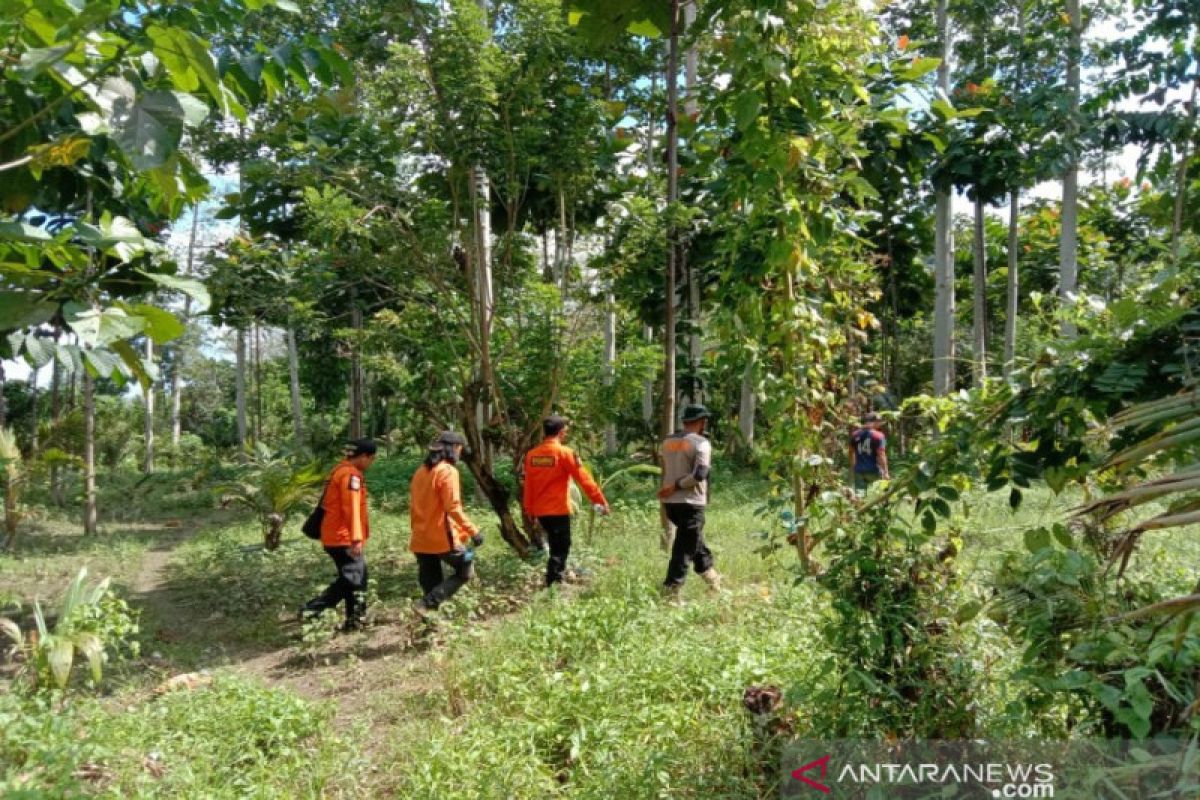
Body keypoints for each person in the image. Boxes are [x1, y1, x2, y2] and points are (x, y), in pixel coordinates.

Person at [522, 415, 610, 587]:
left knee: (556, 546)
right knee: (561, 547)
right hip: (557, 510)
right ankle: (553, 584)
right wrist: (601, 501)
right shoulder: (565, 453)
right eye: (566, 431)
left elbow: (528, 486)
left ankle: (554, 580)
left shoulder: (532, 455)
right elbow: (585, 480)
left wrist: (529, 510)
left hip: (540, 511)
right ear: (561, 432)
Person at [301, 438, 377, 631]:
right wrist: (356, 539)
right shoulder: (350, 475)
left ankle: (355, 621)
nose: (371, 463)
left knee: (355, 577)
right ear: (363, 457)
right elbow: (350, 508)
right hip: (342, 536)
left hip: (336, 534)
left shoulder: (339, 470)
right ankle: (313, 609)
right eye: (371, 459)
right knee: (354, 577)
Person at [409, 430, 482, 615]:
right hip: (441, 536)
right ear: (454, 448)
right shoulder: (448, 471)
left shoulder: (420, 472)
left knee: (430, 584)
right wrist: (473, 531)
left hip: (420, 537)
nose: (460, 453)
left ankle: (430, 628)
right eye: (459, 449)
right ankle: (426, 604)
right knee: (465, 570)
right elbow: (453, 507)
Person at [657, 404, 722, 596]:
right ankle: (671, 589)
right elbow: (700, 474)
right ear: (702, 422)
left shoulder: (667, 442)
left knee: (693, 541)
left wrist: (670, 487)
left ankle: (713, 579)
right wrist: (677, 485)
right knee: (684, 547)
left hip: (670, 504)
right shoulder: (701, 443)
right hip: (691, 501)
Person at [849, 411, 889, 494]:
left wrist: (853, 468)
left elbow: (851, 452)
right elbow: (881, 454)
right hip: (873, 470)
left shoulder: (855, 435)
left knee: (860, 495)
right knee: (880, 494)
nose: (880, 424)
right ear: (875, 422)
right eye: (879, 422)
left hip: (859, 471)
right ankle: (880, 506)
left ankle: (860, 506)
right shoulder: (878, 436)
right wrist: (886, 472)